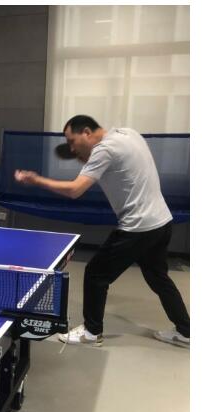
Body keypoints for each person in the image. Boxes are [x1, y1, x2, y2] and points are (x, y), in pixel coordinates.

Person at [14, 115, 189, 348]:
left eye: (72, 141)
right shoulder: (129, 134)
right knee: (158, 278)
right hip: (161, 221)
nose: (71, 148)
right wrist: (87, 158)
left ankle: (91, 332)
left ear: (87, 132)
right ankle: (186, 331)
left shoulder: (104, 150)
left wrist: (36, 180)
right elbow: (122, 168)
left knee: (96, 274)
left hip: (137, 227)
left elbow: (75, 190)